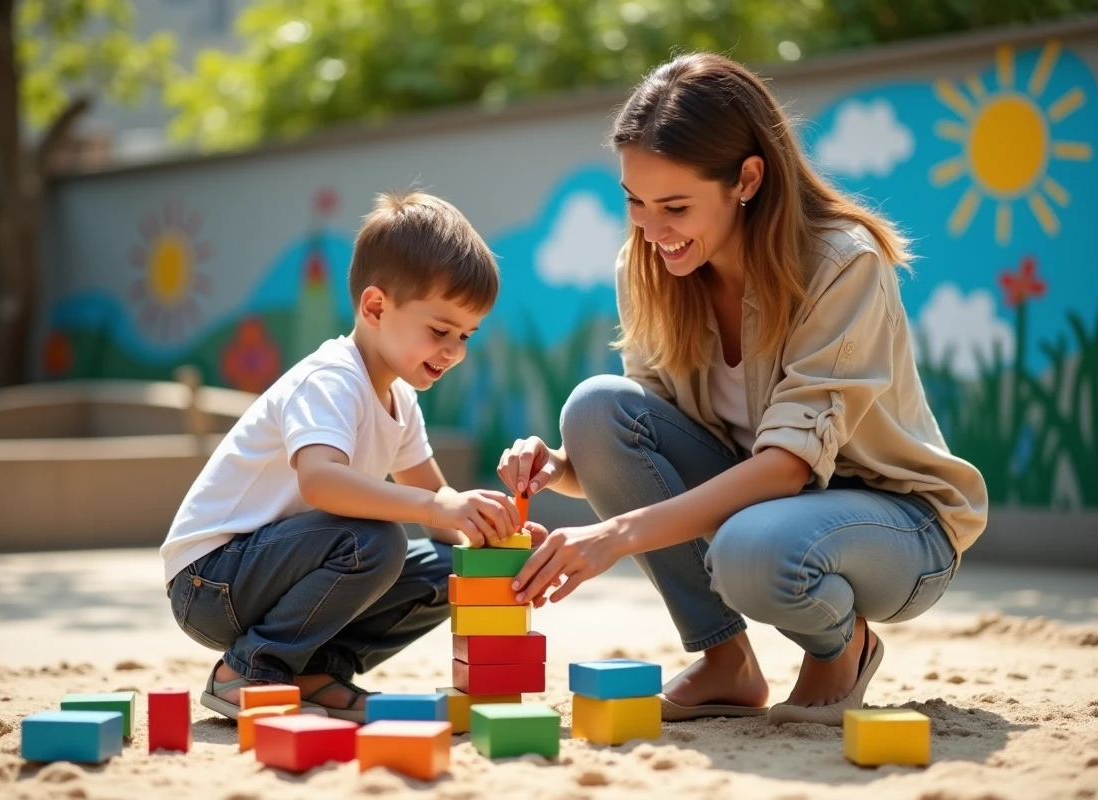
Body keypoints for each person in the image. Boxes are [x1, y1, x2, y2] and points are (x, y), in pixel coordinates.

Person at [498, 53, 989, 727]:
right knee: (594, 408)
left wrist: (612, 536)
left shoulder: (843, 263)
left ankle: (842, 645)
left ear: (747, 179)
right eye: (634, 201)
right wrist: (562, 468)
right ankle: (727, 662)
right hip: (765, 513)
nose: (650, 228)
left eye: (674, 206)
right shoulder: (650, 263)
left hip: (899, 527)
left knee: (750, 549)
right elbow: (648, 452)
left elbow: (787, 468)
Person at [162, 191, 535, 722]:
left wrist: (497, 534)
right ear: (376, 307)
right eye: (440, 331)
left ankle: (314, 671)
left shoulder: (400, 398)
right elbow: (321, 482)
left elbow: (436, 499)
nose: (455, 351)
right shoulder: (332, 379)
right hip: (210, 580)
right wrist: (434, 510)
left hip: (269, 573)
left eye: (467, 335)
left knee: (449, 566)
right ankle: (248, 669)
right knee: (375, 541)